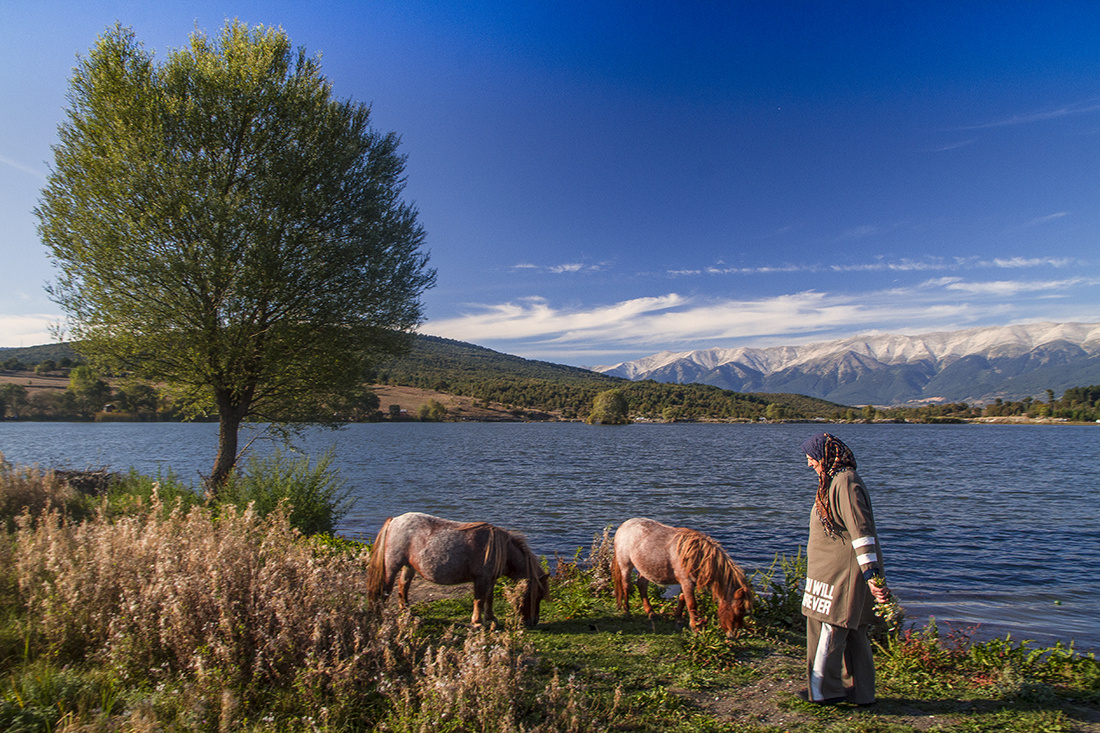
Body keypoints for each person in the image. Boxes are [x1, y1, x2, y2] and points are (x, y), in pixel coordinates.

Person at [798, 432, 890, 706]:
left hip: (840, 574)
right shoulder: (834, 481)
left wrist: (871, 573)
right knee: (852, 631)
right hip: (832, 572)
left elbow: (861, 530)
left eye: (812, 458)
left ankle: (823, 692)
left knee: (829, 628)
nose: (809, 464)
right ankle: (860, 693)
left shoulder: (845, 482)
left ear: (827, 456)